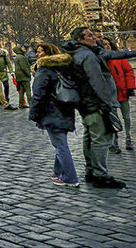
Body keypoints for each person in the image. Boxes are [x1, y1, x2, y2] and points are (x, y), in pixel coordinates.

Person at [61, 27, 136, 189]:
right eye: (90, 35)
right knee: (100, 139)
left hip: (85, 103)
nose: (95, 38)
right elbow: (96, 82)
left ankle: (91, 171)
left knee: (90, 137)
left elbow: (110, 55)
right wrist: (103, 104)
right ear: (80, 39)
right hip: (94, 104)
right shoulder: (87, 56)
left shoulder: (79, 52)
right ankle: (100, 175)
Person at [29, 42, 79, 187]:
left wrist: (34, 113)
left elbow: (38, 93)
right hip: (65, 108)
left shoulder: (44, 69)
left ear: (48, 52)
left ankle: (70, 178)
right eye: (37, 52)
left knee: (60, 145)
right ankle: (58, 171)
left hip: (51, 110)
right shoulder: (64, 66)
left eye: (40, 51)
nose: (38, 54)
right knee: (60, 142)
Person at [100, 36, 135, 151]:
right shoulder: (101, 60)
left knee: (126, 117)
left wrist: (130, 87)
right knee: (113, 118)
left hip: (122, 91)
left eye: (108, 43)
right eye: (104, 44)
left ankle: (128, 137)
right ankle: (114, 141)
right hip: (110, 94)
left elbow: (128, 71)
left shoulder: (118, 57)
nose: (107, 46)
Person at [12, 45, 32, 109]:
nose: (24, 48)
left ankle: (21, 103)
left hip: (19, 76)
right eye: (22, 47)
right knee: (28, 90)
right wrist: (28, 74)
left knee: (22, 90)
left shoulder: (18, 57)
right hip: (24, 76)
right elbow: (24, 67)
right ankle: (31, 103)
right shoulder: (21, 57)